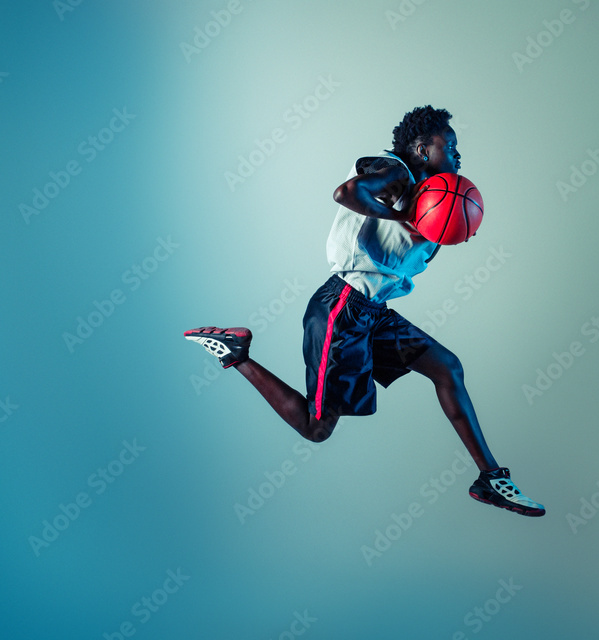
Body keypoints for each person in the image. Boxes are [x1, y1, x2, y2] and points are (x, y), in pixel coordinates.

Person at [185, 105, 544, 517]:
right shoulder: (396, 173)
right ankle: (236, 353)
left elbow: (421, 235)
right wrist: (403, 211)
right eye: (451, 146)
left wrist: (439, 221)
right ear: (422, 148)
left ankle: (491, 479)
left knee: (447, 367)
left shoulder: (434, 195)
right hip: (341, 307)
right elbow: (348, 192)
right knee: (316, 428)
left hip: (373, 312)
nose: (458, 155)